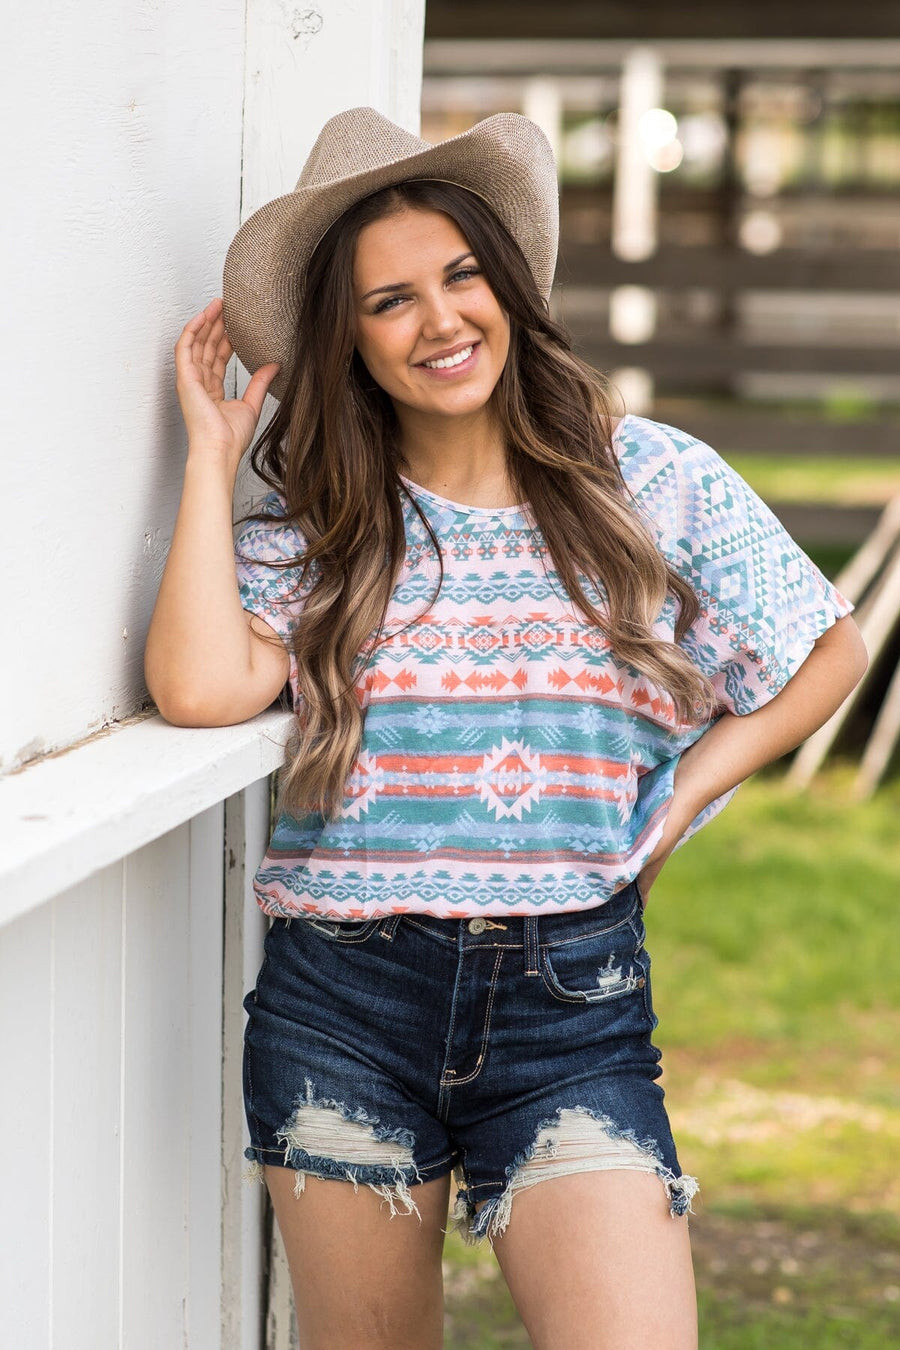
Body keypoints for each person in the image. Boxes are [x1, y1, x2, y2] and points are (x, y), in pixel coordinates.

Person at [144, 107, 867, 1350]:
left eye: (461, 276)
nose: (439, 322)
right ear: (349, 340)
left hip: (570, 1006)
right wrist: (212, 460)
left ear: (509, 288)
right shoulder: (323, 530)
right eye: (390, 302)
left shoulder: (651, 480)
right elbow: (201, 688)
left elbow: (827, 646)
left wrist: (690, 788)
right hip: (341, 1005)